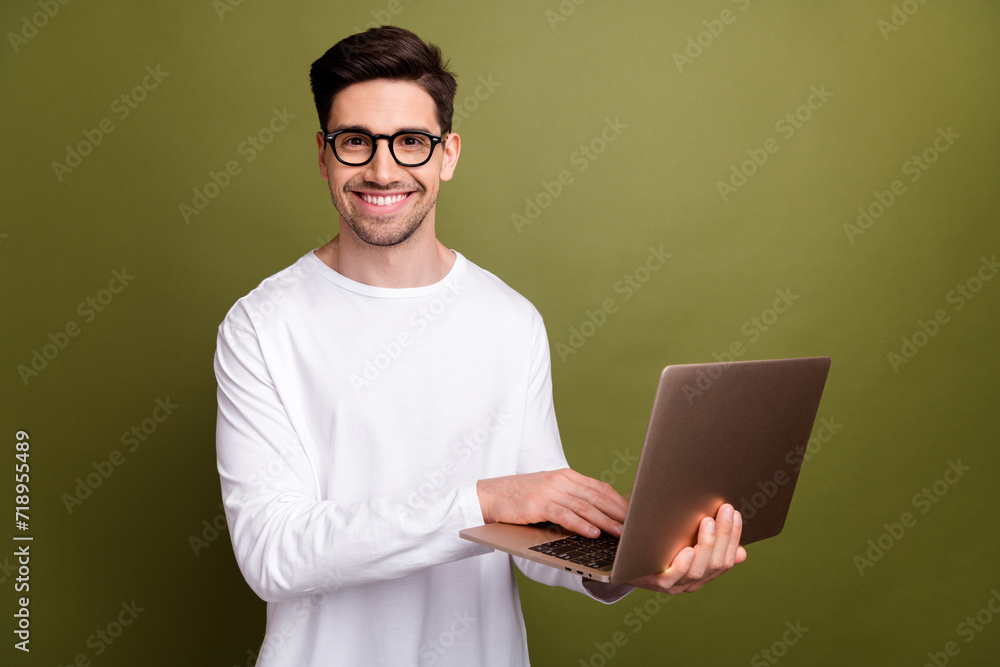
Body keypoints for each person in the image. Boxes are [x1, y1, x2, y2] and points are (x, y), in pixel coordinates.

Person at [214, 25, 745, 667]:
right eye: (356, 142)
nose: (383, 170)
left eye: (411, 142)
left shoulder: (510, 320)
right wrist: (485, 500)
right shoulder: (261, 327)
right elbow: (274, 555)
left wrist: (633, 564)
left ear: (448, 155)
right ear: (324, 155)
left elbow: (532, 534)